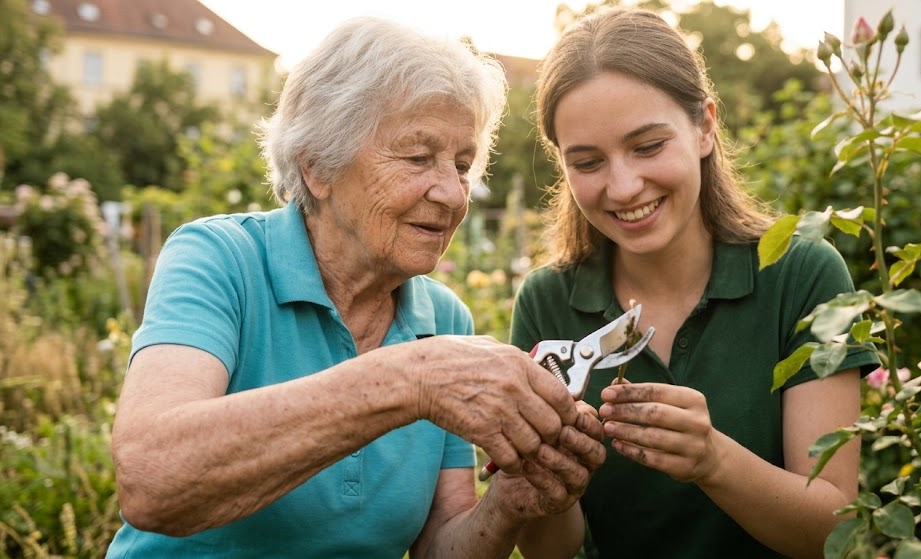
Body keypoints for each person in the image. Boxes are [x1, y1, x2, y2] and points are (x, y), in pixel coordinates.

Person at [105, 16, 604, 559]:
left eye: (462, 165)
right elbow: (152, 480)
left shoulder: (443, 320)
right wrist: (410, 380)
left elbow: (439, 545)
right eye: (417, 158)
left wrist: (507, 503)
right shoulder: (221, 260)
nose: (452, 194)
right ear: (318, 165)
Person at [509, 7, 879, 559]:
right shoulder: (547, 302)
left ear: (705, 125)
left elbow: (834, 532)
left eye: (648, 146)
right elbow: (549, 552)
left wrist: (713, 460)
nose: (624, 186)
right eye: (587, 162)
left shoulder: (803, 275)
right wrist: (552, 474)